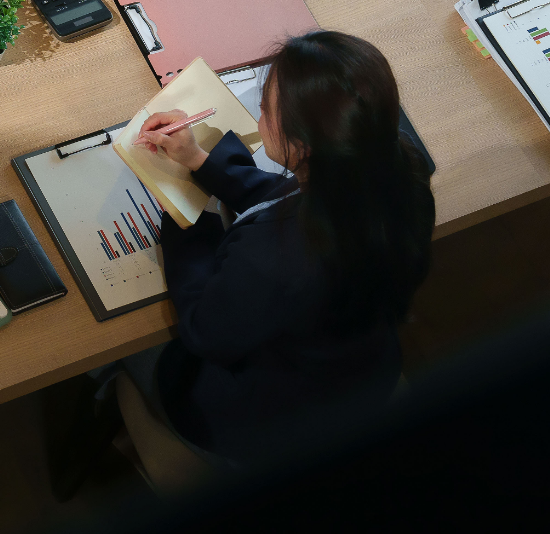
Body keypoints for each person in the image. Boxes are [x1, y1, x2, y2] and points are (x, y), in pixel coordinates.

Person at [129, 30, 435, 462]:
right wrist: (199, 162)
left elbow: (205, 331)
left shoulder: (276, 259)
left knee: (114, 352)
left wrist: (183, 211)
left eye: (266, 108)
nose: (258, 117)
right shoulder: (398, 168)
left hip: (265, 420)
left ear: (305, 146)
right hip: (359, 375)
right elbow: (288, 197)